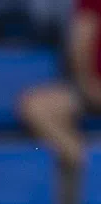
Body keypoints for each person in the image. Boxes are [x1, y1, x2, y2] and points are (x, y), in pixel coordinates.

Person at [16, 0, 101, 171]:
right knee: (36, 106)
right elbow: (80, 46)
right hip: (92, 89)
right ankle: (89, 166)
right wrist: (91, 89)